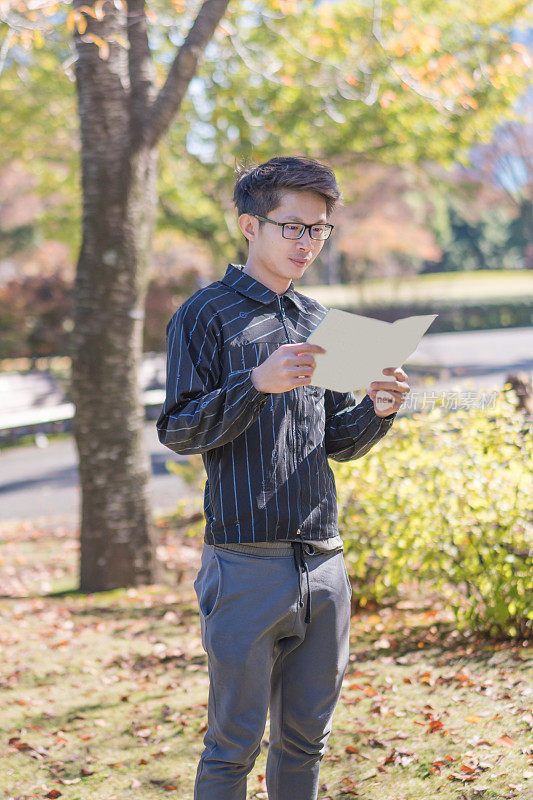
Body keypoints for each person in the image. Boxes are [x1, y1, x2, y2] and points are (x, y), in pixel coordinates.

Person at [156, 155, 410, 800]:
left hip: (324, 564)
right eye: (291, 227)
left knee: (306, 743)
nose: (305, 243)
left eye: (318, 230)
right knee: (231, 748)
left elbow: (337, 442)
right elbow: (179, 430)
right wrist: (254, 383)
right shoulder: (203, 315)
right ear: (250, 225)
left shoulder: (317, 319)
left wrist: (377, 412)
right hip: (244, 565)